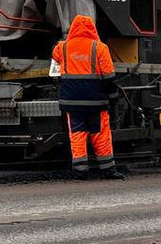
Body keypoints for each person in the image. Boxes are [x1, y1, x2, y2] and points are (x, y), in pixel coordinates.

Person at [51, 15, 125, 180]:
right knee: (100, 134)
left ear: (73, 29)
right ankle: (107, 169)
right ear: (93, 29)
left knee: (77, 134)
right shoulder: (100, 48)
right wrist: (113, 97)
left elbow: (54, 57)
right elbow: (109, 77)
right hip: (95, 101)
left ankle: (80, 170)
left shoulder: (62, 47)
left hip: (71, 101)